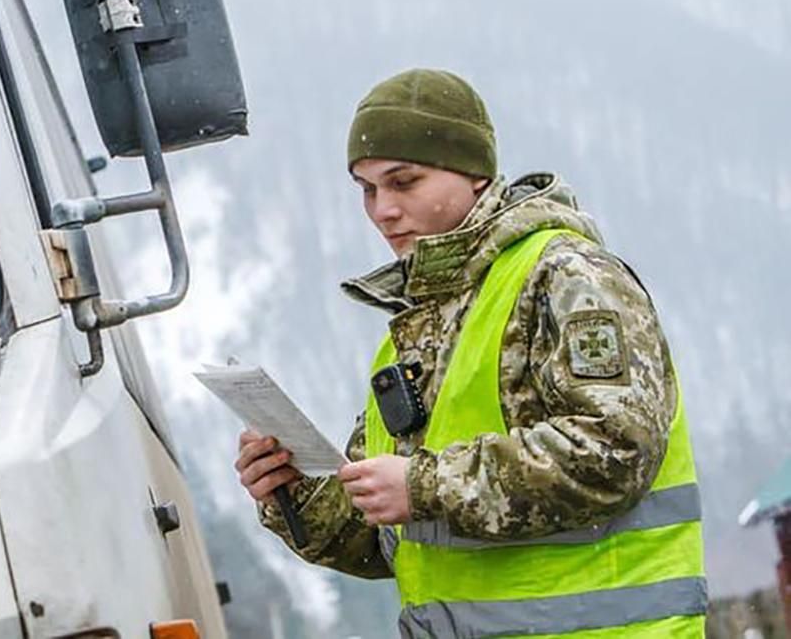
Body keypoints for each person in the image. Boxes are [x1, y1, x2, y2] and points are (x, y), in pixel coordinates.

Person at [235, 69, 706, 636]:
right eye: (367, 188)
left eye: (403, 182)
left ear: (475, 175)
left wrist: (422, 485)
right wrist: (291, 492)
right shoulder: (414, 329)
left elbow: (615, 452)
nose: (382, 209)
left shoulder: (566, 277)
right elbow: (387, 545)